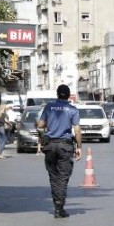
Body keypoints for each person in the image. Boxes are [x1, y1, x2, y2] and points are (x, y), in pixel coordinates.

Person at [37, 84, 83, 218]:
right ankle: (59, 207)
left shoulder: (49, 107)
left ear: (57, 94)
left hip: (50, 145)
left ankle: (56, 204)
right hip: (65, 146)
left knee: (53, 176)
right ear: (69, 96)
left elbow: (40, 125)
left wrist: (48, 126)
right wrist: (79, 147)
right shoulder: (72, 109)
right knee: (63, 177)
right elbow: (77, 130)